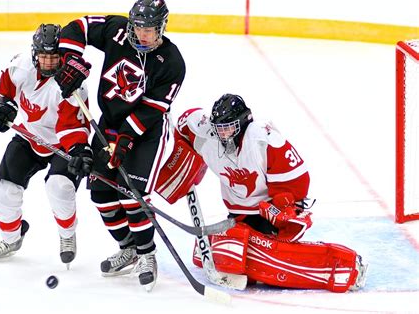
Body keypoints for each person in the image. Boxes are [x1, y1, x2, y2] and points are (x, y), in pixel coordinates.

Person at [155, 94, 368, 292]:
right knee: (229, 247)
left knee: (264, 257)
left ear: (243, 122)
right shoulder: (205, 131)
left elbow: (299, 180)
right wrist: (181, 157)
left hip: (266, 211)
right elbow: (183, 123)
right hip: (238, 213)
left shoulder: (263, 140)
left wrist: (284, 208)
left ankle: (345, 266)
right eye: (219, 128)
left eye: (228, 128)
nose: (222, 134)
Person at [54, 0, 185, 291]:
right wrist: (71, 61)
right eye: (138, 27)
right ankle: (128, 247)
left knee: (130, 194)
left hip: (146, 133)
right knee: (101, 194)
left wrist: (124, 139)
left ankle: (147, 253)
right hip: (109, 125)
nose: (142, 35)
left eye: (149, 30)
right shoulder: (116, 31)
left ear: (162, 27)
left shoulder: (172, 62)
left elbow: (153, 109)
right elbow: (79, 27)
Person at [0, 24, 93, 268]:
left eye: (54, 57)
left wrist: (78, 150)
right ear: (34, 54)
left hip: (61, 144)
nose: (48, 62)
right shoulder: (20, 66)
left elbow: (71, 128)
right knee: (5, 191)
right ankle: (11, 238)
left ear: (62, 55)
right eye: (43, 56)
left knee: (60, 187)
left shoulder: (72, 85)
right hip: (29, 136)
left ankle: (67, 236)